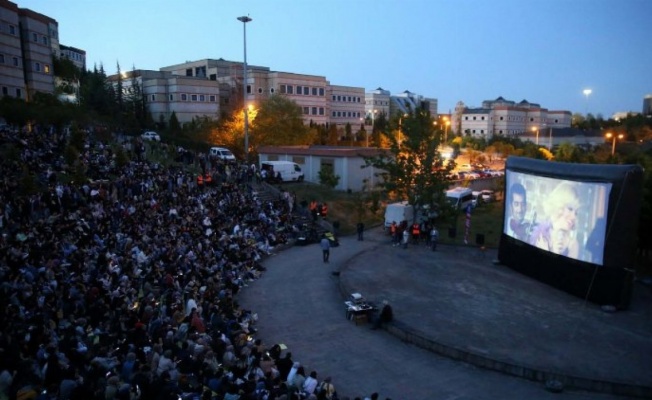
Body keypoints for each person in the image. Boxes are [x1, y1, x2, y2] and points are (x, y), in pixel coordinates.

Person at [528, 181, 581, 258]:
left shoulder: (572, 245)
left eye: (576, 212)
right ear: (559, 205)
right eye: (570, 209)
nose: (574, 217)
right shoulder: (540, 234)